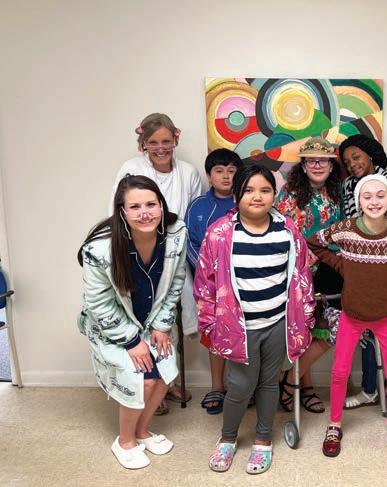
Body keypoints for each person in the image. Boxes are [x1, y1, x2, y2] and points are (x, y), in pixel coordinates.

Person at [194, 164, 315, 474]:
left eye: (265, 190)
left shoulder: (287, 230)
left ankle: (263, 438)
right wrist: (209, 321)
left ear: (275, 195)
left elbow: (302, 275)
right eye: (249, 190)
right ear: (237, 195)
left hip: (277, 323)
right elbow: (205, 282)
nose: (257, 196)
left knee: (268, 383)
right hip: (239, 327)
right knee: (240, 385)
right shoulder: (221, 233)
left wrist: (304, 315)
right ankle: (228, 437)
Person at [309, 174, 387, 461]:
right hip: (352, 313)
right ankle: (334, 424)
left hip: (386, 314)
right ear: (359, 201)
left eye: (380, 195)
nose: (374, 201)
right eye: (367, 196)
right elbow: (315, 242)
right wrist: (342, 265)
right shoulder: (346, 230)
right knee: (340, 371)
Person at [77, 175, 187, 469]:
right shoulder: (98, 248)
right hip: (113, 327)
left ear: (161, 206)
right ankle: (125, 441)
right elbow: (99, 304)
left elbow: (176, 282)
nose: (145, 213)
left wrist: (162, 324)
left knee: (164, 374)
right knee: (144, 380)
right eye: (135, 207)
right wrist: (131, 341)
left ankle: (142, 431)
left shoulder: (176, 232)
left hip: (153, 321)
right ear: (122, 211)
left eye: (151, 204)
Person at [110, 113, 201, 413]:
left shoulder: (188, 173)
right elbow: (119, 212)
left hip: (174, 253)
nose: (160, 148)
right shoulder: (131, 169)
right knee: (144, 317)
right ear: (143, 144)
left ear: (176, 138)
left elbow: (193, 215)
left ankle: (166, 381)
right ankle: (145, 385)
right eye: (153, 142)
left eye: (166, 141)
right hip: (140, 251)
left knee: (168, 319)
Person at [338, 134, 387, 409]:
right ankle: (370, 389)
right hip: (360, 272)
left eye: (356, 157)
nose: (352, 164)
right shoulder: (348, 186)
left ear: (370, 154)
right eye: (347, 162)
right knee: (366, 333)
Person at [275, 136, 343, 414]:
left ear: (331, 165)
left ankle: (289, 380)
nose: (317, 165)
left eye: (323, 161)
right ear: (302, 165)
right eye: (311, 160)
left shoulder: (338, 191)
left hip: (332, 270)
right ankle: (306, 387)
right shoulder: (289, 194)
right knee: (304, 332)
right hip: (298, 272)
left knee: (330, 330)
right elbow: (281, 233)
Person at [185, 148, 241, 415]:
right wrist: (213, 274)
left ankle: (243, 387)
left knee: (245, 333)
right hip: (209, 284)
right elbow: (189, 243)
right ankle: (217, 386)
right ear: (209, 175)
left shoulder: (247, 200)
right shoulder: (198, 206)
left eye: (231, 171)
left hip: (243, 282)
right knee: (215, 332)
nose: (226, 176)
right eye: (219, 171)